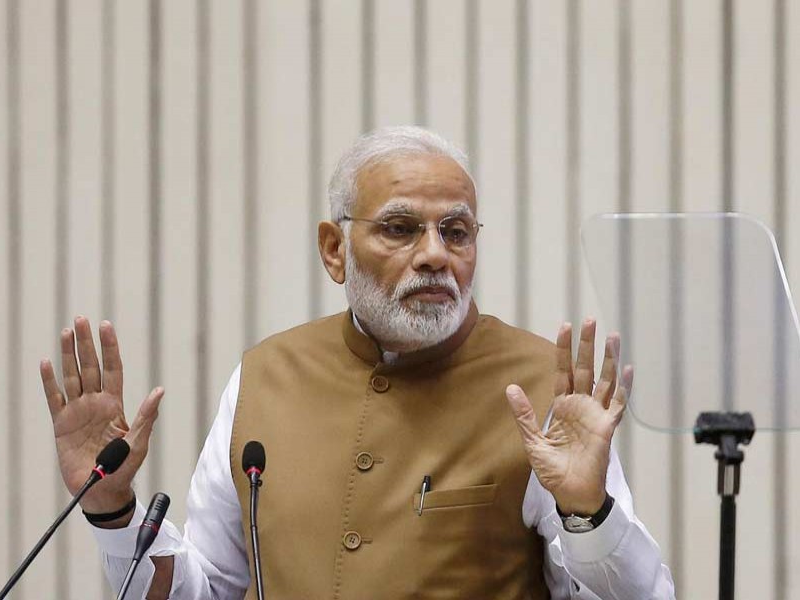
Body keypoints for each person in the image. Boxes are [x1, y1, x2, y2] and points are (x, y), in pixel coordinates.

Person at [40, 126, 676, 599]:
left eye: (456, 232)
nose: (435, 255)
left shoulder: (540, 390)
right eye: (401, 228)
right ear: (334, 249)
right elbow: (209, 590)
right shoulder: (266, 377)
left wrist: (588, 511)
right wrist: (113, 510)